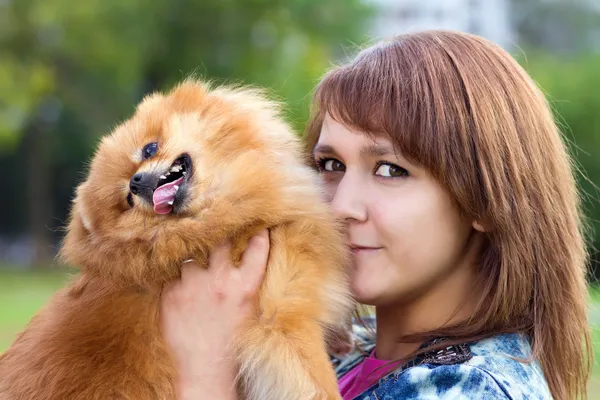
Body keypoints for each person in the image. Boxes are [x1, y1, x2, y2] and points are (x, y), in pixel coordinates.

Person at [160, 30, 592, 399]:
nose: (341, 206)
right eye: (330, 165)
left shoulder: (469, 387)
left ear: (484, 199)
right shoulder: (347, 355)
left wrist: (203, 373)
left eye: (391, 170)